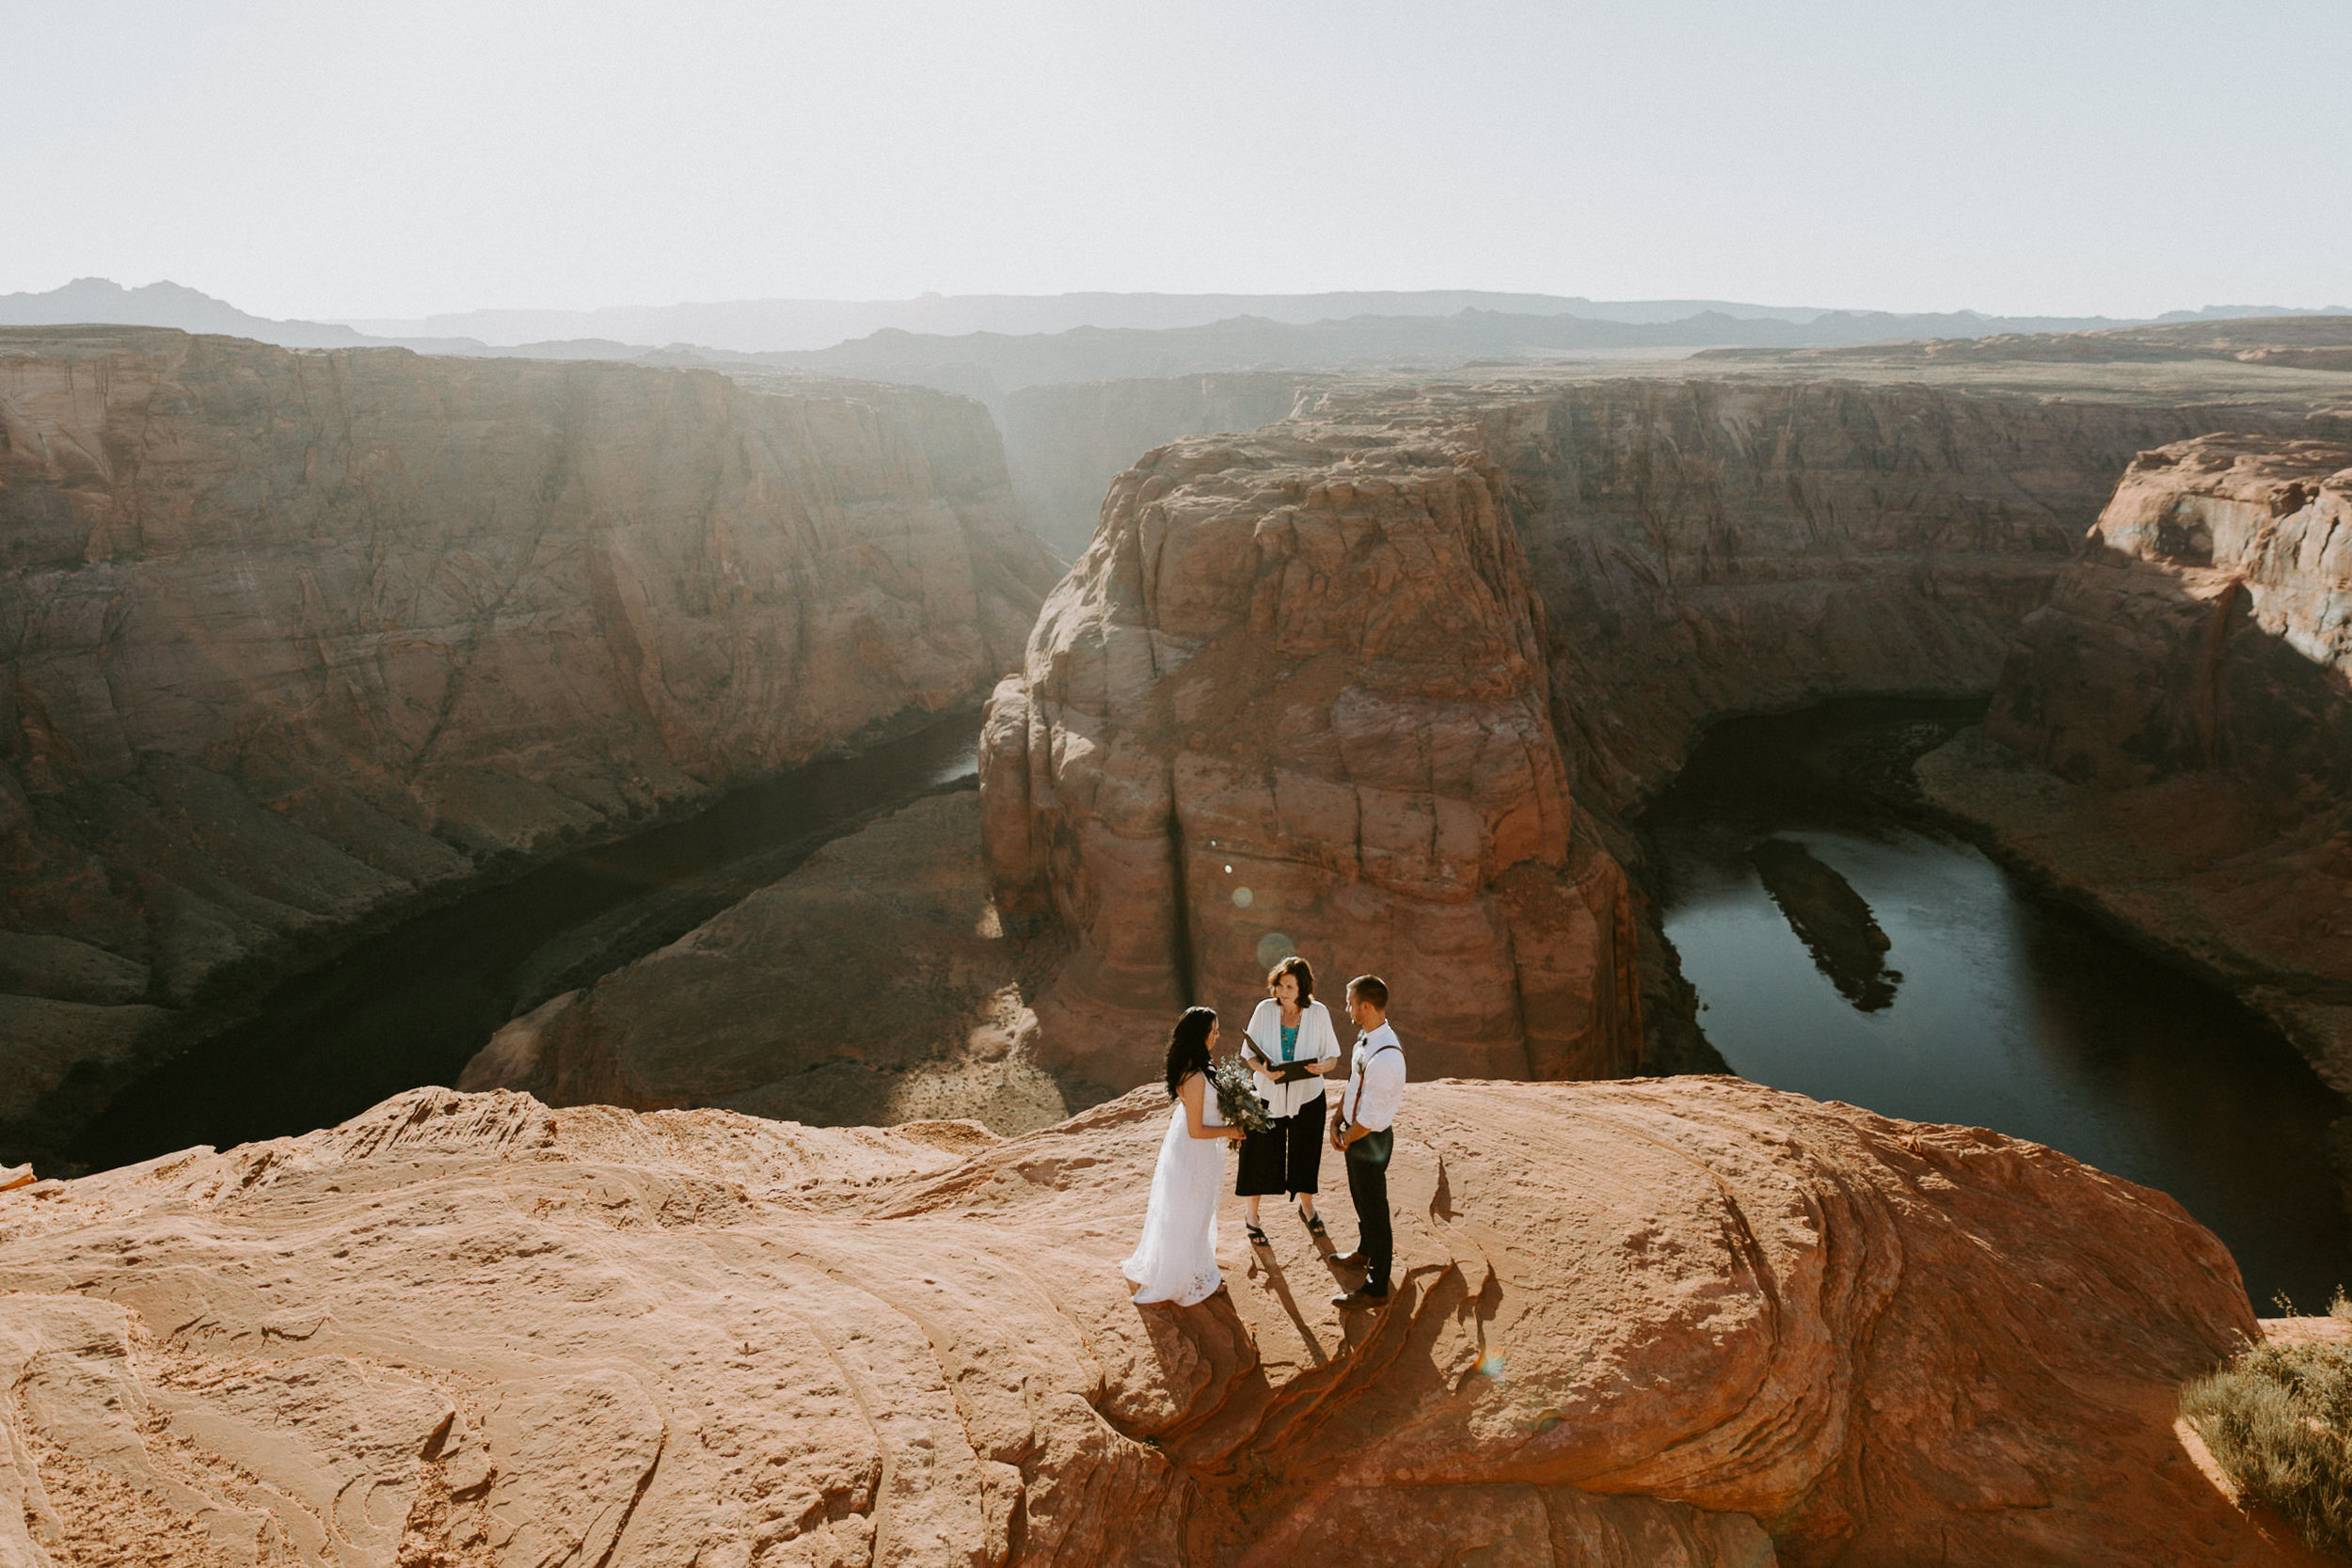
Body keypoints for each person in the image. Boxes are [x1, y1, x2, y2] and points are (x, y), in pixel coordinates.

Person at [1122, 1006, 1245, 1306]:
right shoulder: (1194, 1077)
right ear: (1199, 1035)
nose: (1217, 1035)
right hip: (1194, 1152)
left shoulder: (1199, 1068)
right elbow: (1196, 1130)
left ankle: (1194, 1268)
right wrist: (1231, 1131)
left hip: (1199, 1151)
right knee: (1191, 1212)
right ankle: (1186, 1276)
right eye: (1213, 1030)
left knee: (1196, 1210)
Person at [1235, 956, 1343, 1245]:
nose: (1282, 993)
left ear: (1303, 988)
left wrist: (1323, 1068)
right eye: (1280, 986)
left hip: (1307, 1096)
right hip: (1267, 1095)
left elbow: (1333, 1056)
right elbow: (1248, 1053)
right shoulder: (1264, 1010)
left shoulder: (1319, 1013)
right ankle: (1252, 1217)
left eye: (1289, 987)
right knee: (1258, 1154)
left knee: (1306, 1153)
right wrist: (1264, 1072)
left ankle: (1307, 1208)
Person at [1329, 975, 1406, 1310]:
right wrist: (1336, 1117)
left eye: (1350, 1002)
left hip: (1369, 1139)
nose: (1347, 1008)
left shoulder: (1386, 1057)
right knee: (1360, 1196)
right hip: (1355, 1132)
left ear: (1366, 1006)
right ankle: (1364, 1251)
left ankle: (1376, 1288)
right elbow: (1353, 1084)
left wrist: (1346, 1137)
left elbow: (1372, 1117)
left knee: (1376, 1210)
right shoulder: (1366, 1040)